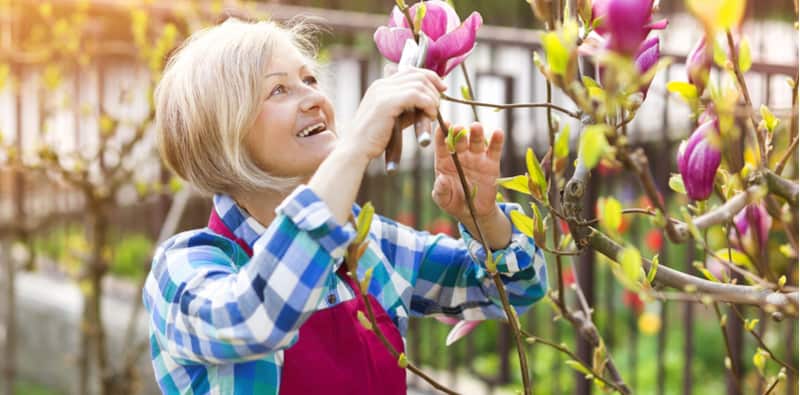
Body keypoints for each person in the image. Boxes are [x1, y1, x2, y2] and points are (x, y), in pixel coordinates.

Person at [143, 17, 548, 395]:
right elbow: (254, 317)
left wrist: (482, 218)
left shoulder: (368, 245)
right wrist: (354, 149)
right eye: (279, 89)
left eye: (310, 78)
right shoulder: (184, 270)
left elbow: (515, 291)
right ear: (221, 135)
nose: (314, 98)